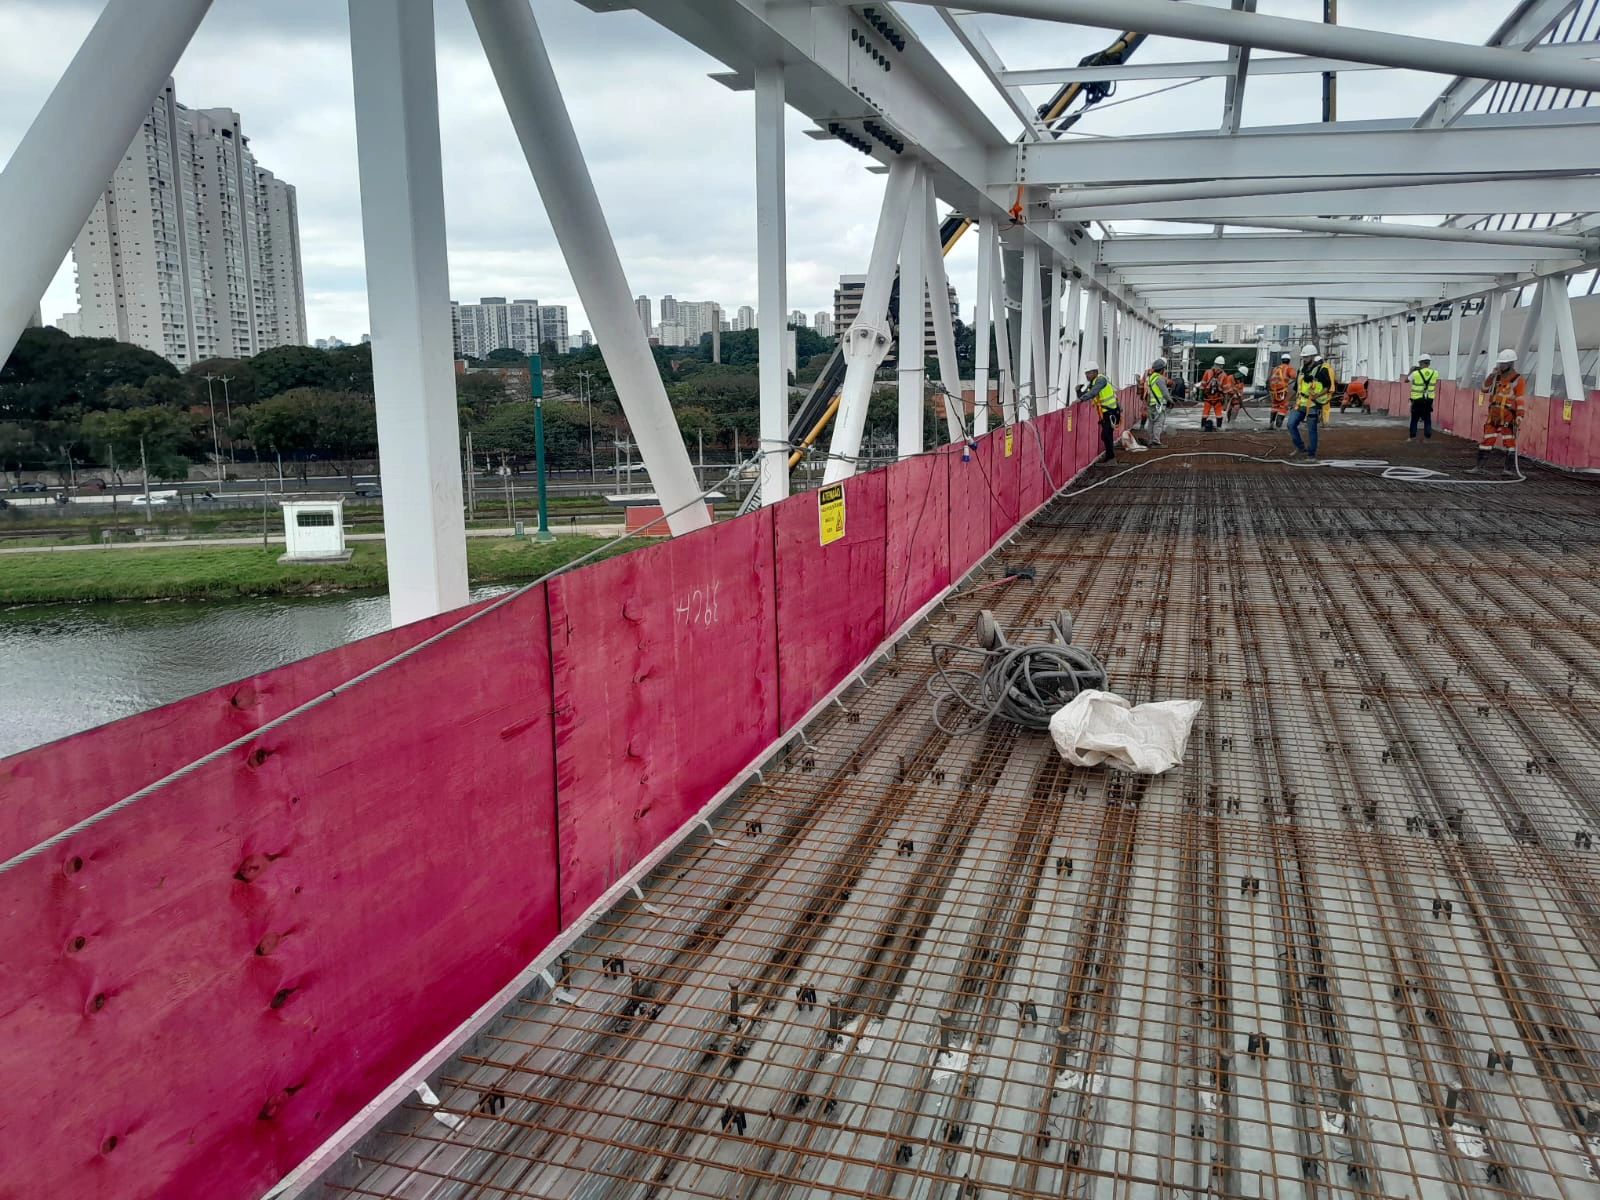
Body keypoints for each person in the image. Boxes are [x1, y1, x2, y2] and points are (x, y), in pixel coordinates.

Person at [1472, 349, 1527, 475]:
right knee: (1487, 440)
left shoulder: (1518, 380)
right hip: (1493, 415)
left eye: (1504, 363)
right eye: (1500, 363)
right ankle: (1479, 467)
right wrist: (1491, 375)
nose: (1501, 366)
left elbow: (1520, 399)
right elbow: (1484, 389)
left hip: (1508, 416)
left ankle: (1507, 469)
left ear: (1511, 364)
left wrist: (1519, 416)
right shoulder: (1496, 377)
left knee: (1509, 441)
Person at [1289, 343, 1334, 460]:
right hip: (1301, 402)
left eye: (1307, 357)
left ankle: (1311, 454)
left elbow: (1327, 387)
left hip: (1313, 404)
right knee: (1291, 424)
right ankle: (1300, 447)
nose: (1304, 359)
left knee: (1312, 429)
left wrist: (1317, 396)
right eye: (1303, 357)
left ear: (1313, 357)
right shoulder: (1301, 370)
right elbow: (1297, 387)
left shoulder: (1321, 370)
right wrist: (1292, 400)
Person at [1078, 360, 1119, 463]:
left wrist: (1080, 399)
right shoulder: (1094, 382)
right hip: (1106, 414)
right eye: (1086, 373)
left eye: (1089, 373)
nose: (1087, 376)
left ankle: (1111, 459)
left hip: (1110, 413)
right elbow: (1088, 394)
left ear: (1095, 372)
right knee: (1106, 435)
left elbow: (1092, 393)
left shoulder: (1101, 380)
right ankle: (1110, 458)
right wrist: (1078, 392)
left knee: (1106, 435)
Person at [1408, 352, 1440, 441]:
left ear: (1420, 363)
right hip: (1429, 400)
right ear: (1429, 363)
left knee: (1414, 419)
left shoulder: (1415, 373)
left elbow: (1406, 380)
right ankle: (1428, 437)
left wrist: (1411, 370)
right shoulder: (1435, 373)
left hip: (1417, 400)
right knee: (1427, 418)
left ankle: (1412, 437)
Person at [1145, 357, 1172, 447]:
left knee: (1151, 422)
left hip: (1151, 404)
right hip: (1158, 404)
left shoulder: (1151, 377)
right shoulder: (1160, 378)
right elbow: (1165, 392)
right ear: (1162, 370)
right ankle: (1156, 441)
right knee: (1158, 422)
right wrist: (1170, 401)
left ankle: (1150, 440)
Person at [1200, 355, 1231, 432]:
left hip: (1210, 397)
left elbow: (1202, 385)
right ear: (1222, 365)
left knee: (1207, 412)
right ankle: (1218, 427)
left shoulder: (1208, 372)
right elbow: (1225, 390)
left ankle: (1203, 427)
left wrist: (1200, 395)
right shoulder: (1224, 375)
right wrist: (1225, 402)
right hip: (1216, 397)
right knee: (1217, 413)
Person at [1268, 353, 1296, 429]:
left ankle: (1271, 424)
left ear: (1282, 360)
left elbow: (1269, 379)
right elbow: (1294, 376)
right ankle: (1278, 426)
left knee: (1274, 407)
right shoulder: (1289, 368)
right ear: (1289, 361)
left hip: (1273, 392)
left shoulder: (1275, 368)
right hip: (1282, 391)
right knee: (1283, 407)